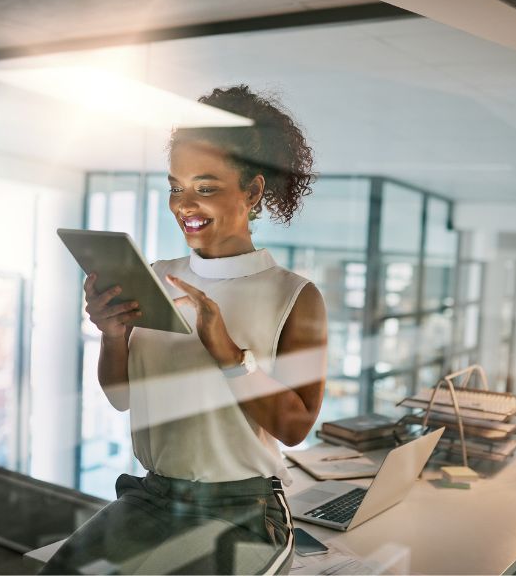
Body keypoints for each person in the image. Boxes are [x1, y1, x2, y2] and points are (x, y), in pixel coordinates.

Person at [42, 85, 328, 575]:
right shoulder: (153, 274)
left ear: (253, 191)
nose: (184, 204)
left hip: (243, 511)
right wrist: (112, 337)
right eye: (176, 186)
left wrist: (229, 356)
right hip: (154, 497)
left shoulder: (294, 296)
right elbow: (121, 396)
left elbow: (296, 427)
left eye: (206, 187)